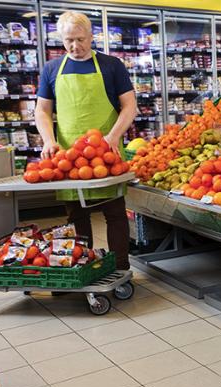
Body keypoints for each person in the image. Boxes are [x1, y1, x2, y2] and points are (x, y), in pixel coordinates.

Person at [35, 11, 137, 271]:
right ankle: (81, 268)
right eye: (69, 40)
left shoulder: (112, 65)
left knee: (114, 213)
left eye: (80, 39)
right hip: (69, 156)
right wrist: (48, 140)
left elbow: (129, 106)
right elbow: (42, 110)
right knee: (75, 216)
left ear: (92, 37)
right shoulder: (51, 69)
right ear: (61, 39)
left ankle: (121, 268)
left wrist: (113, 135)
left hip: (107, 152)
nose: (75, 46)